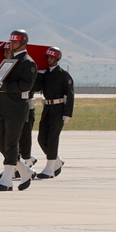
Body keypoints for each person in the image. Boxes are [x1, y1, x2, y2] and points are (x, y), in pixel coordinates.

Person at [0, 29, 39, 191]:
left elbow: (26, 85)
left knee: (10, 143)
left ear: (24, 43)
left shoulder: (28, 62)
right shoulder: (9, 61)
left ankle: (7, 179)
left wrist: (4, 86)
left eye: (15, 42)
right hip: (2, 106)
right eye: (11, 42)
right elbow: (0, 80)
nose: (11, 44)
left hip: (16, 107)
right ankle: (24, 169)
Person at [36, 46, 74, 179]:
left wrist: (67, 113)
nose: (49, 59)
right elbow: (35, 87)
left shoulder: (63, 75)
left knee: (52, 138)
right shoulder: (45, 74)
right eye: (48, 57)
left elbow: (70, 95)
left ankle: (50, 168)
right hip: (47, 107)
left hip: (59, 109)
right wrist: (39, 74)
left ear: (57, 59)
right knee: (41, 138)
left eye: (52, 57)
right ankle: (56, 160)